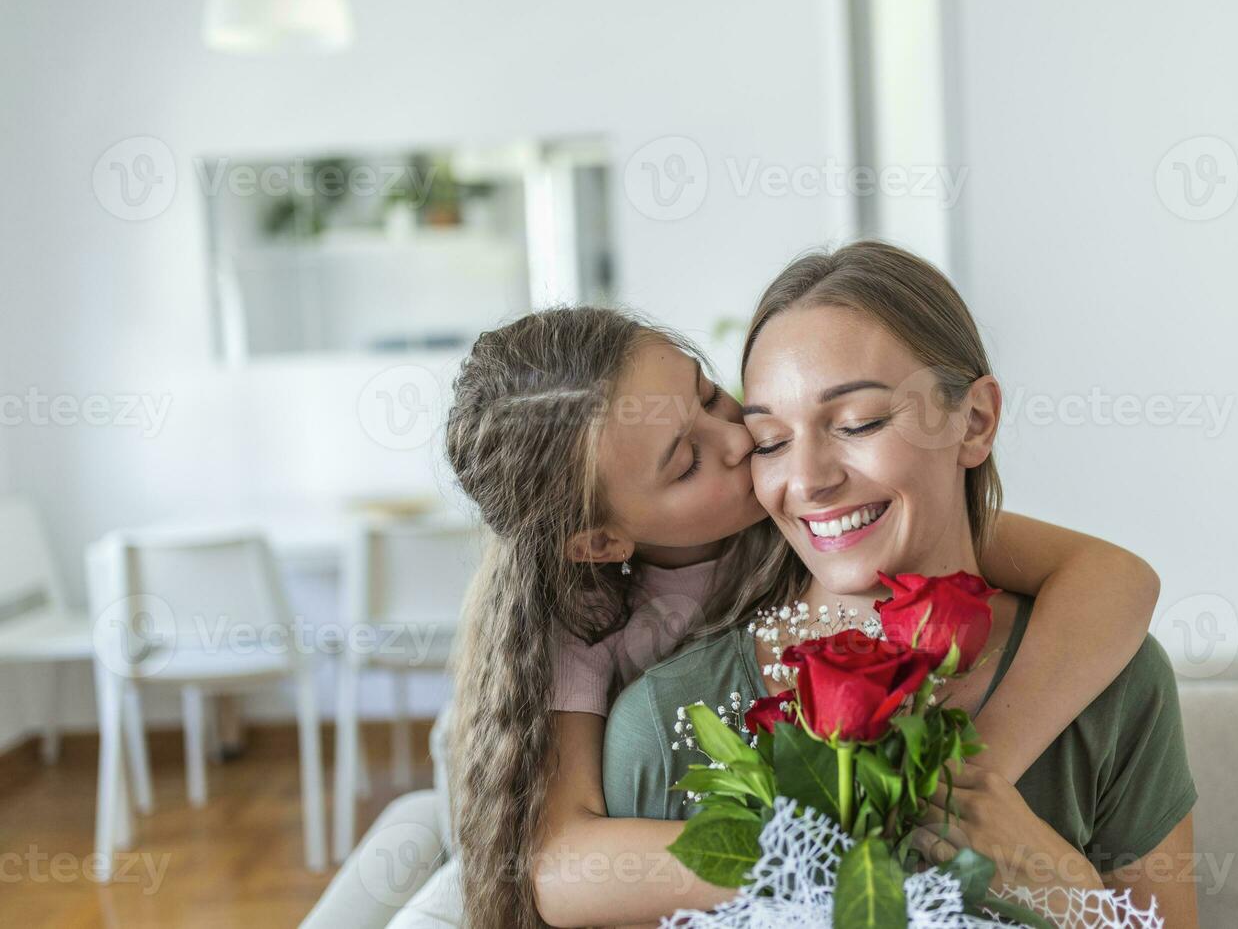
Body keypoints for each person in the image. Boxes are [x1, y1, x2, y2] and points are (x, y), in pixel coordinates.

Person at [446, 292, 1162, 928]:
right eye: (686, 463)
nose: (742, 447)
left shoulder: (831, 521)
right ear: (601, 540)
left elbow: (1112, 575)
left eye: (711, 397)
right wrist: (832, 843)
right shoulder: (594, 629)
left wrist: (973, 783)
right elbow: (561, 868)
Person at [600, 242, 1199, 925]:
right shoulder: (666, 719)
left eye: (858, 423)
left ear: (974, 422)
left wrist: (1067, 891)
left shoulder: (1115, 681)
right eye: (769, 440)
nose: (810, 478)